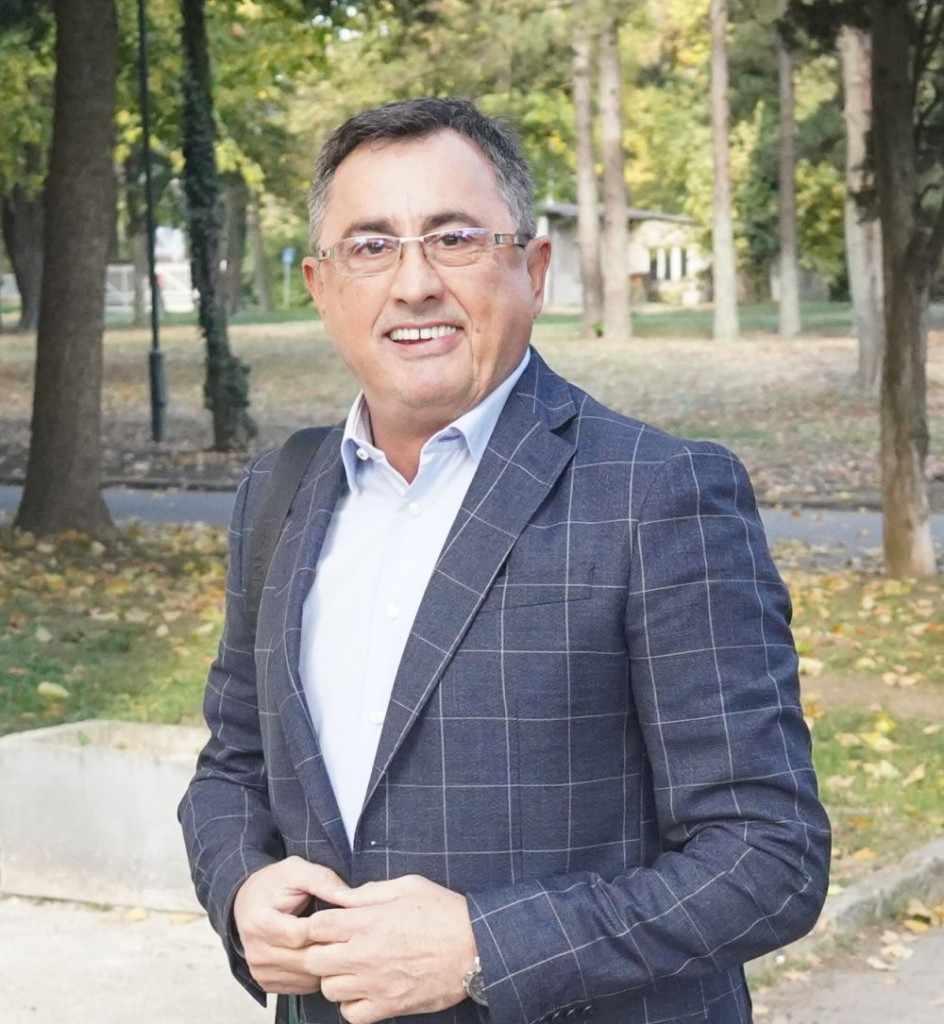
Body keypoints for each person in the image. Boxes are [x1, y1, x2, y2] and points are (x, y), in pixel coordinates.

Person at [180, 96, 830, 1024]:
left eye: (454, 238)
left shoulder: (658, 492)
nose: (413, 284)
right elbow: (232, 768)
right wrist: (241, 889)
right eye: (371, 245)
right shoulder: (278, 491)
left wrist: (485, 948)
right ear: (322, 285)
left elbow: (769, 857)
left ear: (533, 269)